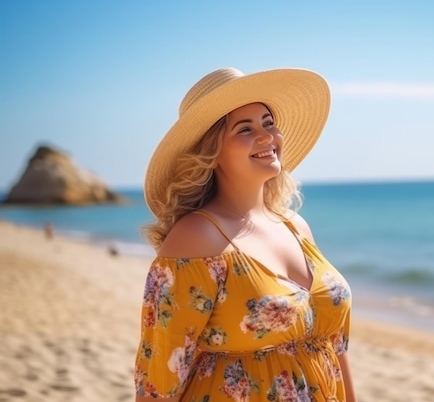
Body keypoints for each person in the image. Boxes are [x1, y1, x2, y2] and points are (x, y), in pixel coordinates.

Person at [135, 67, 356, 402]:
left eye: (268, 122)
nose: (266, 136)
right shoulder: (196, 238)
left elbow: (335, 346)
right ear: (212, 153)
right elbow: (158, 380)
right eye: (245, 128)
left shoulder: (295, 226)